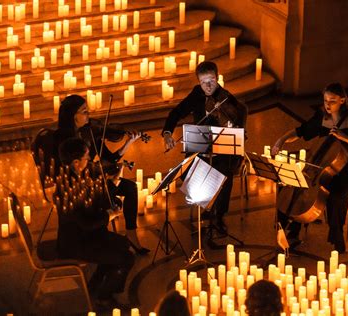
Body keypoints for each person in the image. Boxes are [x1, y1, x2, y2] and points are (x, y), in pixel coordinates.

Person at [272, 83, 348, 253]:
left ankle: (337, 237)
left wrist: (345, 137)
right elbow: (301, 131)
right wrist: (281, 141)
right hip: (322, 169)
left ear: (343, 100)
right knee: (292, 184)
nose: (328, 105)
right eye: (326, 100)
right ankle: (290, 230)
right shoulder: (323, 118)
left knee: (335, 197)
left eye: (333, 101)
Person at [53, 94, 150, 255]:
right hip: (81, 189)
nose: (88, 115)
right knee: (112, 199)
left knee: (130, 187)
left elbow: (110, 158)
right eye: (84, 111)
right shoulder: (64, 140)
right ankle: (99, 240)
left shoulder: (89, 132)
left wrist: (128, 143)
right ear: (72, 116)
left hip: (92, 180)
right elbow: (69, 171)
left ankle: (131, 235)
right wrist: (101, 172)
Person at [162, 61, 248, 234]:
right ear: (198, 82)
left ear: (217, 78)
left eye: (212, 81)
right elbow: (176, 113)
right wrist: (167, 133)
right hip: (201, 148)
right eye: (203, 82)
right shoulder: (196, 94)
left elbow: (240, 116)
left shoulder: (225, 97)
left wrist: (237, 130)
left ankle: (219, 215)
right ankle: (207, 206)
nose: (208, 86)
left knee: (224, 174)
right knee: (187, 170)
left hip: (224, 151)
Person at [54, 137, 135, 309]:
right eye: (87, 157)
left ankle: (94, 285)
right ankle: (104, 297)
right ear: (76, 162)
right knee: (126, 258)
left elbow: (95, 200)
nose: (90, 160)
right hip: (77, 242)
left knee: (123, 243)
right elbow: (86, 223)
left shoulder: (79, 175)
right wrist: (109, 216)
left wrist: (112, 191)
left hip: (89, 234)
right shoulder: (67, 188)